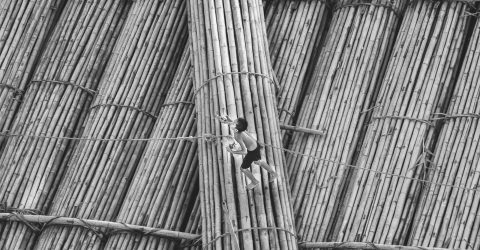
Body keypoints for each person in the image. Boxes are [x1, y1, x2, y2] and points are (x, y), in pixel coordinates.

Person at [217, 115, 278, 189]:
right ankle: (273, 173)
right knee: (258, 161)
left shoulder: (237, 136)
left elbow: (244, 151)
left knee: (243, 169)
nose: (232, 122)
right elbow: (233, 124)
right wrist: (227, 121)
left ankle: (254, 181)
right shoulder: (240, 129)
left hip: (252, 151)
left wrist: (232, 151)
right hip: (256, 145)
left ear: (236, 127)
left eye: (234, 122)